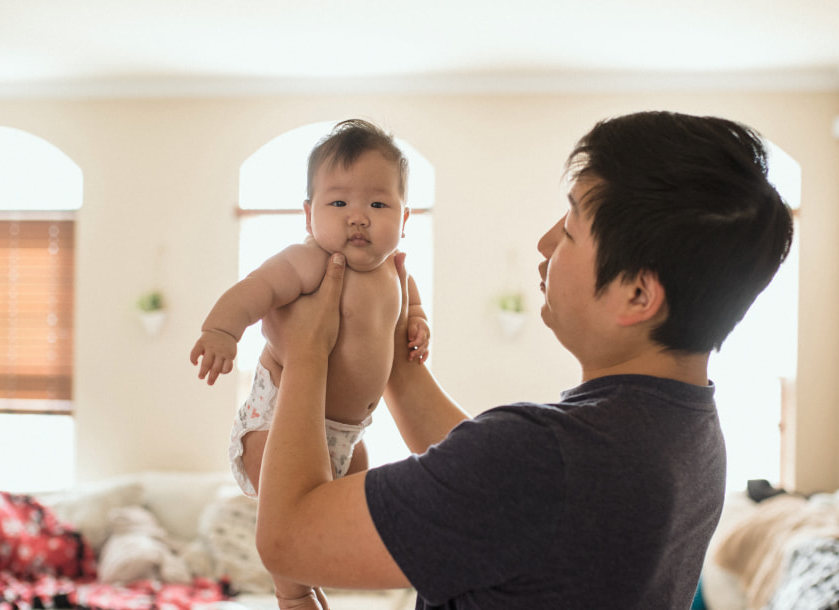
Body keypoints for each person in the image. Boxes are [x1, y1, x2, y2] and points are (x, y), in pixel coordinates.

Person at [252, 111, 795, 609]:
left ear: (636, 294)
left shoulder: (538, 458)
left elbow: (287, 540)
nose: (543, 243)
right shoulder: (686, 428)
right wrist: (387, 344)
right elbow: (499, 496)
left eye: (571, 229)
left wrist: (305, 356)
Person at [188, 119, 431, 607]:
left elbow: (412, 309)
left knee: (353, 504)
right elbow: (256, 289)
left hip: (346, 433)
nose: (357, 217)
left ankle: (316, 571)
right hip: (276, 422)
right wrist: (221, 330)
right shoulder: (309, 260)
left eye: (377, 204)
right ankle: (290, 587)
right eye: (338, 203)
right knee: (287, 521)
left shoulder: (397, 273)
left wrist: (419, 322)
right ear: (308, 214)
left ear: (404, 220)